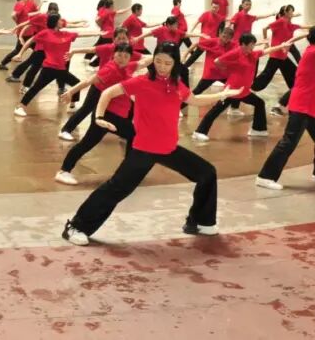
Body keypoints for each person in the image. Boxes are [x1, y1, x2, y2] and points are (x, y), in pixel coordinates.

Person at [61, 43, 240, 245]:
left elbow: (195, 99)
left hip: (168, 148)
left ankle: (199, 221)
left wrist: (222, 95)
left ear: (175, 64)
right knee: (116, 189)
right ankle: (75, 227)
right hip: (144, 149)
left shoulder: (176, 85)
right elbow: (108, 93)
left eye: (167, 63)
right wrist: (99, 116)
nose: (162, 66)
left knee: (207, 173)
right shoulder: (142, 81)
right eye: (158, 61)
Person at [255, 25, 315, 191]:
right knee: (289, 142)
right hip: (301, 106)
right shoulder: (314, 53)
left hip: (311, 107)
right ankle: (265, 177)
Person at [55, 43, 153, 184]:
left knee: (88, 143)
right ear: (114, 55)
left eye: (126, 56)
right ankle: (64, 171)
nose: (122, 58)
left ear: (130, 57)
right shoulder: (110, 69)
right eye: (119, 55)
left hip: (116, 114)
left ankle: (127, 170)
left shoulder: (128, 67)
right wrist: (71, 91)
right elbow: (89, 80)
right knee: (133, 135)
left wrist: (161, 55)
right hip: (107, 114)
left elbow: (144, 62)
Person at [192, 33, 297, 142]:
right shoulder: (235, 53)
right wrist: (226, 70)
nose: (253, 47)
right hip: (232, 91)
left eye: (254, 44)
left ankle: (258, 130)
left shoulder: (252, 54)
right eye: (251, 45)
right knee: (215, 111)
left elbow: (267, 51)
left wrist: (281, 46)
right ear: (243, 44)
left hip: (244, 91)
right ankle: (199, 132)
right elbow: (217, 61)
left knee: (259, 103)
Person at [14, 15, 100, 117]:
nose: (62, 22)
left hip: (61, 69)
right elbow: (31, 40)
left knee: (77, 84)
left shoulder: (65, 34)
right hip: (49, 68)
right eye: (60, 20)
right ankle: (20, 107)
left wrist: (98, 33)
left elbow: (81, 34)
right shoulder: (45, 33)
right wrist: (20, 53)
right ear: (55, 22)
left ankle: (72, 106)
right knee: (36, 88)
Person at [253, 5, 300, 92]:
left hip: (282, 55)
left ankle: (295, 88)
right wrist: (266, 42)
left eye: (292, 12)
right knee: (266, 76)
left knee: (292, 71)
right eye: (290, 11)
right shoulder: (280, 21)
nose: (292, 13)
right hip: (276, 55)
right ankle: (252, 84)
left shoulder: (287, 22)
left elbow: (298, 25)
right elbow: (265, 28)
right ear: (285, 12)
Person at [0, 0, 32, 69]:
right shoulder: (19, 4)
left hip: (27, 32)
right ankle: (2, 64)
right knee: (18, 50)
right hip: (24, 33)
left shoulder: (23, 5)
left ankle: (2, 63)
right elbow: (13, 15)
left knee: (37, 49)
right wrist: (18, 23)